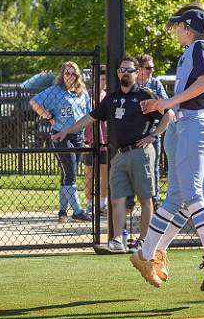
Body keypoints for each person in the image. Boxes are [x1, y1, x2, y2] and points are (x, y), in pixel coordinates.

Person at [134, 8, 204, 290]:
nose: (176, 30)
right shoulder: (196, 48)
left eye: (179, 27)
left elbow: (203, 84)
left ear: (188, 28)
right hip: (195, 125)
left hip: (192, 125)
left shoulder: (200, 46)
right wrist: (164, 104)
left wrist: (165, 103)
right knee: (198, 197)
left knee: (191, 196)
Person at [52, 57, 173, 254]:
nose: (125, 72)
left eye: (129, 70)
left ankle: (144, 241)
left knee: (145, 198)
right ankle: (117, 240)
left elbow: (168, 114)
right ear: (117, 73)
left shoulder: (144, 95)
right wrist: (67, 131)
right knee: (117, 199)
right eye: (122, 69)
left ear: (136, 73)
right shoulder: (111, 98)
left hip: (141, 153)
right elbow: (90, 117)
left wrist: (154, 135)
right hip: (118, 155)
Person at [30, 61, 91, 223]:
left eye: (73, 74)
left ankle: (62, 211)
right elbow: (34, 102)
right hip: (60, 136)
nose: (70, 76)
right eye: (67, 73)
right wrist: (48, 116)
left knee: (67, 173)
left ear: (78, 76)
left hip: (78, 136)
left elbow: (87, 115)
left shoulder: (82, 93)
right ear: (62, 75)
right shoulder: (55, 91)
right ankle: (77, 211)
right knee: (70, 171)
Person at [136, 54, 168, 204]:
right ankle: (130, 200)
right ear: (139, 69)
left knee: (154, 166)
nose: (151, 71)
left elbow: (165, 105)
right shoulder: (132, 84)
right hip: (135, 130)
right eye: (148, 68)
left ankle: (153, 200)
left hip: (153, 129)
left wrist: (153, 98)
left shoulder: (155, 83)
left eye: (152, 68)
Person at [83, 66, 108, 217]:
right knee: (89, 173)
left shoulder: (109, 96)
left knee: (104, 173)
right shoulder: (87, 96)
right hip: (90, 140)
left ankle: (102, 204)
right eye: (102, 78)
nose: (104, 82)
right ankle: (89, 205)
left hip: (105, 140)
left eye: (106, 79)